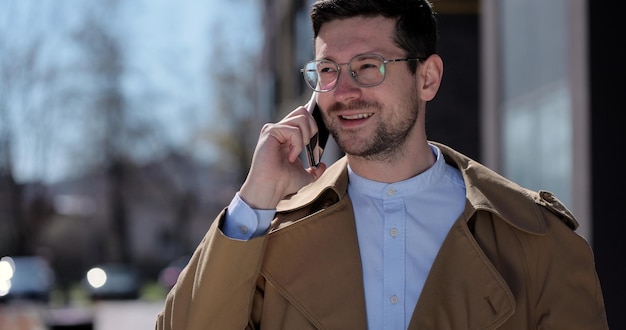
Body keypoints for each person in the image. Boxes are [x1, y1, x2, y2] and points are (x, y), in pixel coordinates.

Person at [156, 0, 608, 329]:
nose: (344, 90)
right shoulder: (269, 233)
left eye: (368, 66)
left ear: (426, 78)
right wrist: (255, 198)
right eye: (327, 69)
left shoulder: (535, 238)